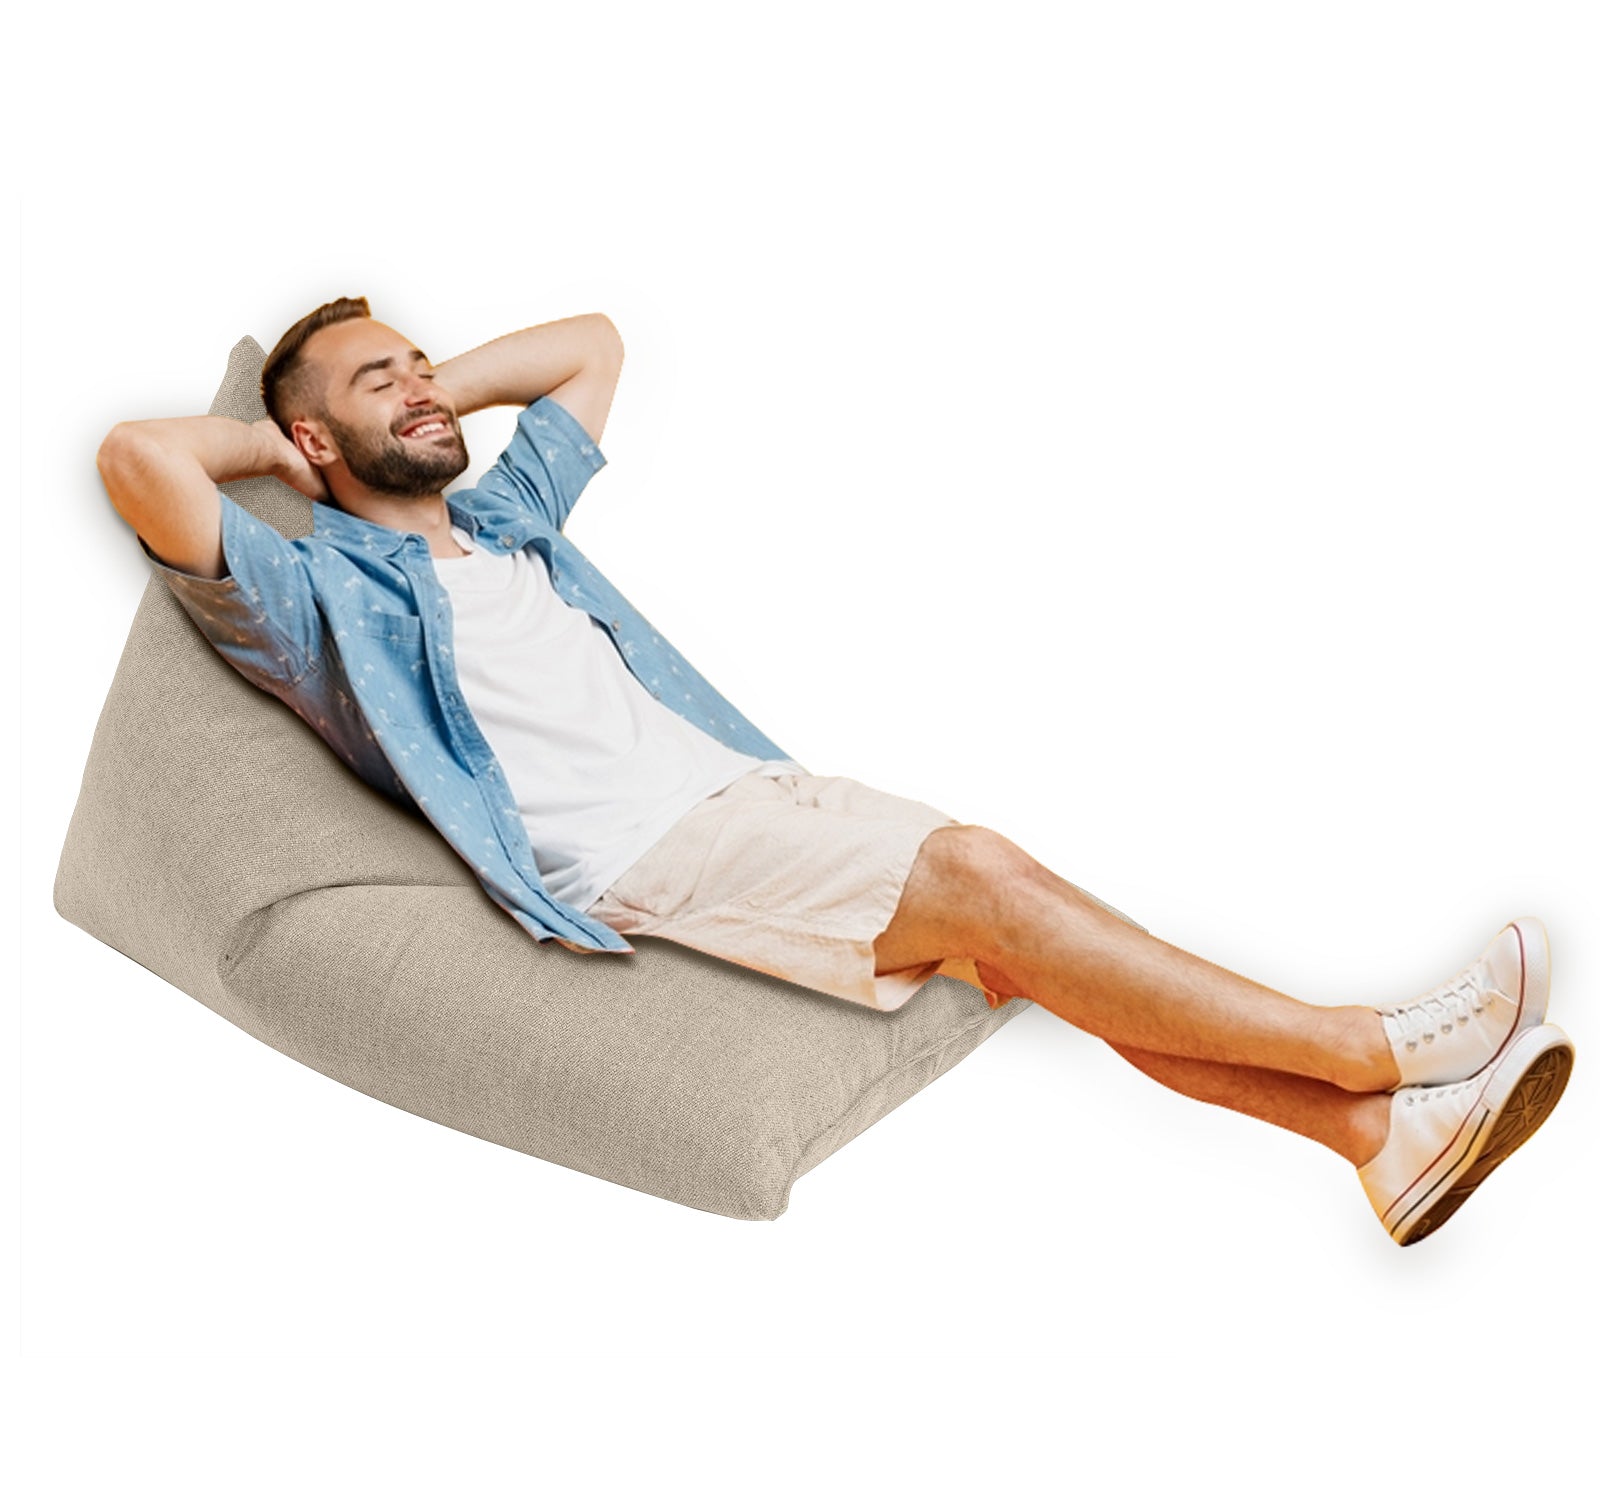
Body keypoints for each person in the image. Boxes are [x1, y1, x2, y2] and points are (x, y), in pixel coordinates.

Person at [96, 296, 1575, 1246]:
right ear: (310, 432)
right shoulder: (322, 597)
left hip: (744, 798)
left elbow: (595, 342)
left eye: (423, 367)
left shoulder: (505, 524)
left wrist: (421, 393)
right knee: (985, 875)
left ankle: (1377, 1141)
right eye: (381, 381)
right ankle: (1369, 1045)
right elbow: (138, 465)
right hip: (646, 853)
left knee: (1026, 953)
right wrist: (284, 453)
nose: (424, 389)